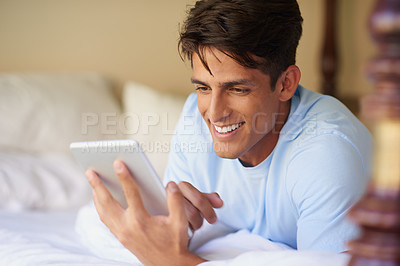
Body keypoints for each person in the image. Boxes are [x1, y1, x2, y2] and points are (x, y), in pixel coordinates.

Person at [85, 0, 372, 265]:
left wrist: (171, 261)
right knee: (92, 219)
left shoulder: (327, 153)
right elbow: (173, 234)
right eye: (203, 88)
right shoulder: (194, 120)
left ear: (286, 84)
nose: (214, 112)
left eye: (237, 89)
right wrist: (178, 225)